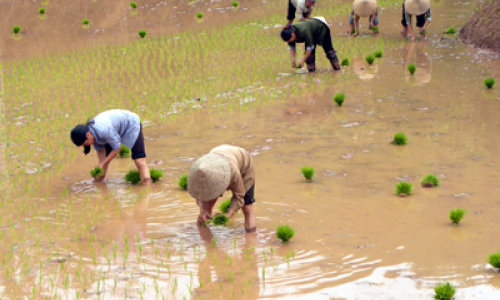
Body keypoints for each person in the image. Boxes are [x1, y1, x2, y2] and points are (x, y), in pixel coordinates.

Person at [70, 109, 151, 184]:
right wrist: (99, 169)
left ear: (88, 135)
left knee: (139, 161)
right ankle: (99, 184)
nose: (86, 145)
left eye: (84, 143)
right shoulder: (92, 134)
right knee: (103, 163)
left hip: (131, 124)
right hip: (115, 128)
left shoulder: (104, 130)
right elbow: (102, 156)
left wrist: (104, 163)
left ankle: (146, 189)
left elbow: (117, 148)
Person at [188, 145, 256, 233]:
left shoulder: (233, 172)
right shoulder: (199, 172)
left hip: (244, 165)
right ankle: (206, 241)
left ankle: (251, 238)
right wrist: (203, 210)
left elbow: (239, 196)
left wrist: (228, 215)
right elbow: (199, 194)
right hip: (216, 158)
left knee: (247, 208)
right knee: (205, 213)